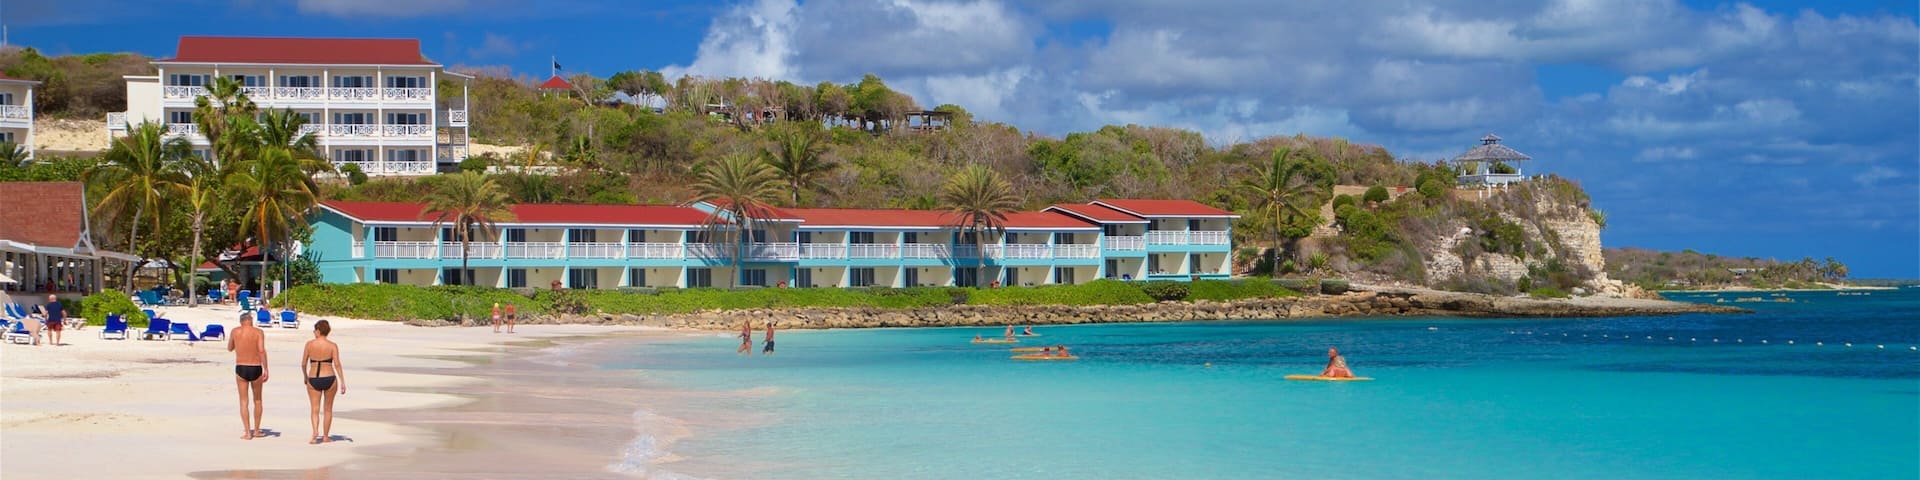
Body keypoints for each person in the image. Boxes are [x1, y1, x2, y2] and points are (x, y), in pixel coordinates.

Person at [302, 320, 345, 444]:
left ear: (318, 331)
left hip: (314, 377)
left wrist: (305, 376)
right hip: (329, 377)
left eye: (315, 330)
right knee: (328, 409)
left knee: (314, 408)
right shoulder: (332, 345)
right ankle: (326, 436)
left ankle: (315, 433)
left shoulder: (309, 344)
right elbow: (337, 364)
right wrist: (342, 381)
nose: (314, 332)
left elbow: (303, 363)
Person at [228, 311, 268, 439]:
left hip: (241, 366)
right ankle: (256, 430)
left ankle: (247, 432)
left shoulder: (235, 331)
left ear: (241, 321)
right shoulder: (258, 332)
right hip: (255, 366)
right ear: (251, 320)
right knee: (258, 400)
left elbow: (230, 348)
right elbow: (261, 350)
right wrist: (266, 368)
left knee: (243, 401)